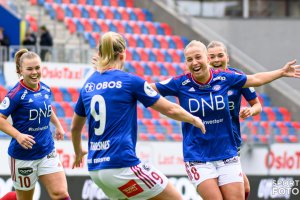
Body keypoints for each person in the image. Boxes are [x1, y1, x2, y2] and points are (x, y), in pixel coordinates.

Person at [151, 40, 300, 200]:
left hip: (227, 152)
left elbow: (256, 79)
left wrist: (282, 72)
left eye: (198, 57)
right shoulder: (180, 83)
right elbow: (147, 89)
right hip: (198, 156)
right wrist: (128, 87)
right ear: (186, 63)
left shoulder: (226, 78)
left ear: (206, 59)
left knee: (243, 190)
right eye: (189, 59)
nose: (194, 62)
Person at [71, 31, 206, 200]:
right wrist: (194, 119)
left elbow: (75, 128)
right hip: (121, 166)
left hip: (96, 170)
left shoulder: (88, 85)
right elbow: (170, 109)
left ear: (99, 54)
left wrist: (78, 152)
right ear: (123, 55)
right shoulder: (130, 81)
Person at [0, 49, 71, 200]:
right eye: (30, 69)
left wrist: (58, 125)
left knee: (61, 193)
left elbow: (46, 108)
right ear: (20, 70)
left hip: (47, 150)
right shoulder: (15, 94)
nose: (35, 72)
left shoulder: (45, 88)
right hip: (23, 156)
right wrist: (18, 135)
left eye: (37, 68)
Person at [207, 40, 262, 199]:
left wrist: (250, 111)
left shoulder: (238, 78)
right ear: (206, 59)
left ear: (227, 57)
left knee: (243, 186)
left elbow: (257, 105)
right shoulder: (200, 80)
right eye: (212, 56)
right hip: (208, 139)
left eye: (220, 55)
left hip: (231, 139)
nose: (216, 59)